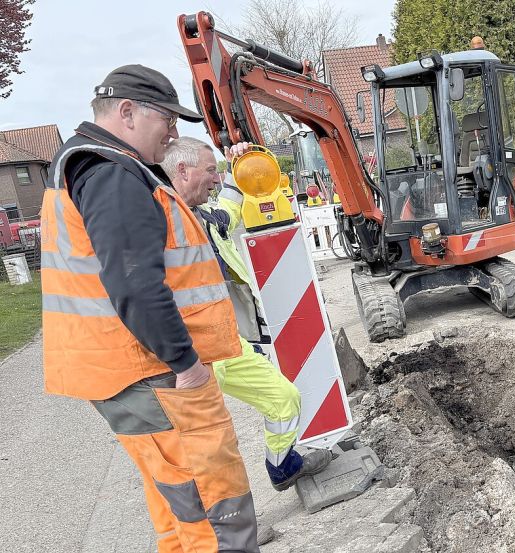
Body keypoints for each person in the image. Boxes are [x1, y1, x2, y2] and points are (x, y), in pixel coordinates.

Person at [39, 65, 258, 552]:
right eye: (168, 120)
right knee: (212, 506)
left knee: (176, 503)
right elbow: (136, 284)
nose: (174, 134)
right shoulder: (111, 175)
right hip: (151, 369)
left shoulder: (90, 165)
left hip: (123, 368)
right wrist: (186, 364)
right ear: (128, 112)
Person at [161, 136, 332, 492]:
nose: (215, 177)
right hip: (201, 350)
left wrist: (239, 166)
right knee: (209, 442)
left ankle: (275, 472)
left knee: (267, 408)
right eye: (210, 171)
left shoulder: (203, 217)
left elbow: (230, 207)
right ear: (182, 170)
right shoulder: (164, 223)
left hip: (220, 342)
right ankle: (241, 509)